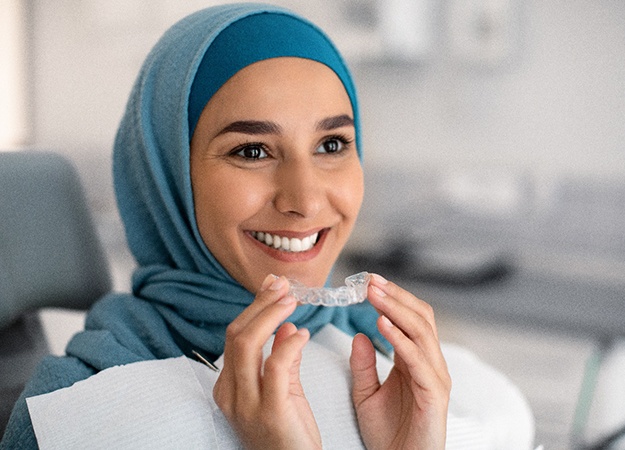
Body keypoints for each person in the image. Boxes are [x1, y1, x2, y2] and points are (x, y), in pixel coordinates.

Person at [0, 3, 451, 448]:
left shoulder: (398, 361)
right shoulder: (73, 415)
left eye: (331, 144)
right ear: (167, 176)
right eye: (252, 151)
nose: (306, 200)